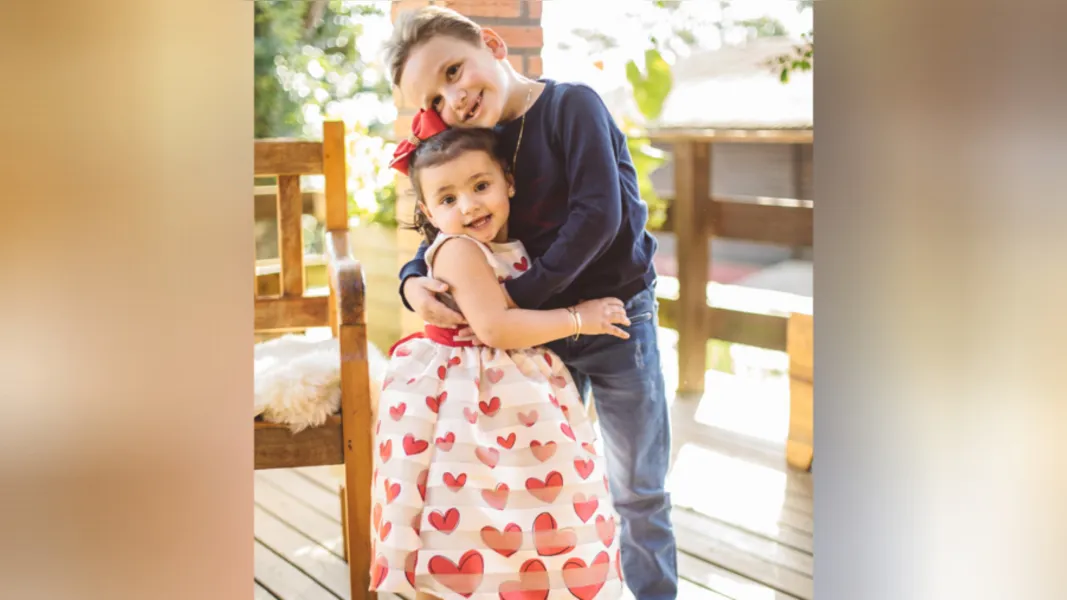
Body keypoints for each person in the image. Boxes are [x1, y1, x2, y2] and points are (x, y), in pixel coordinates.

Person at [384, 7, 678, 599]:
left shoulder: (572, 107)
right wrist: (414, 280)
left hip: (616, 319)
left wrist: (508, 303)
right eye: (434, 100)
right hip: (540, 341)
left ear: (491, 44)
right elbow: (443, 228)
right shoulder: (477, 145)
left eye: (453, 71)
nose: (453, 99)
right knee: (557, 484)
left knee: (637, 487)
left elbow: (599, 216)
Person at [370, 108, 629, 599]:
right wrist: (580, 317)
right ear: (428, 213)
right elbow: (494, 327)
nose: (468, 206)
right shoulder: (459, 250)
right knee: (471, 504)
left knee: (534, 502)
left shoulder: (511, 241)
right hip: (465, 396)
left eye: (479, 186)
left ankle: (533, 579)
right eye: (447, 198)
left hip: (518, 383)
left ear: (508, 183)